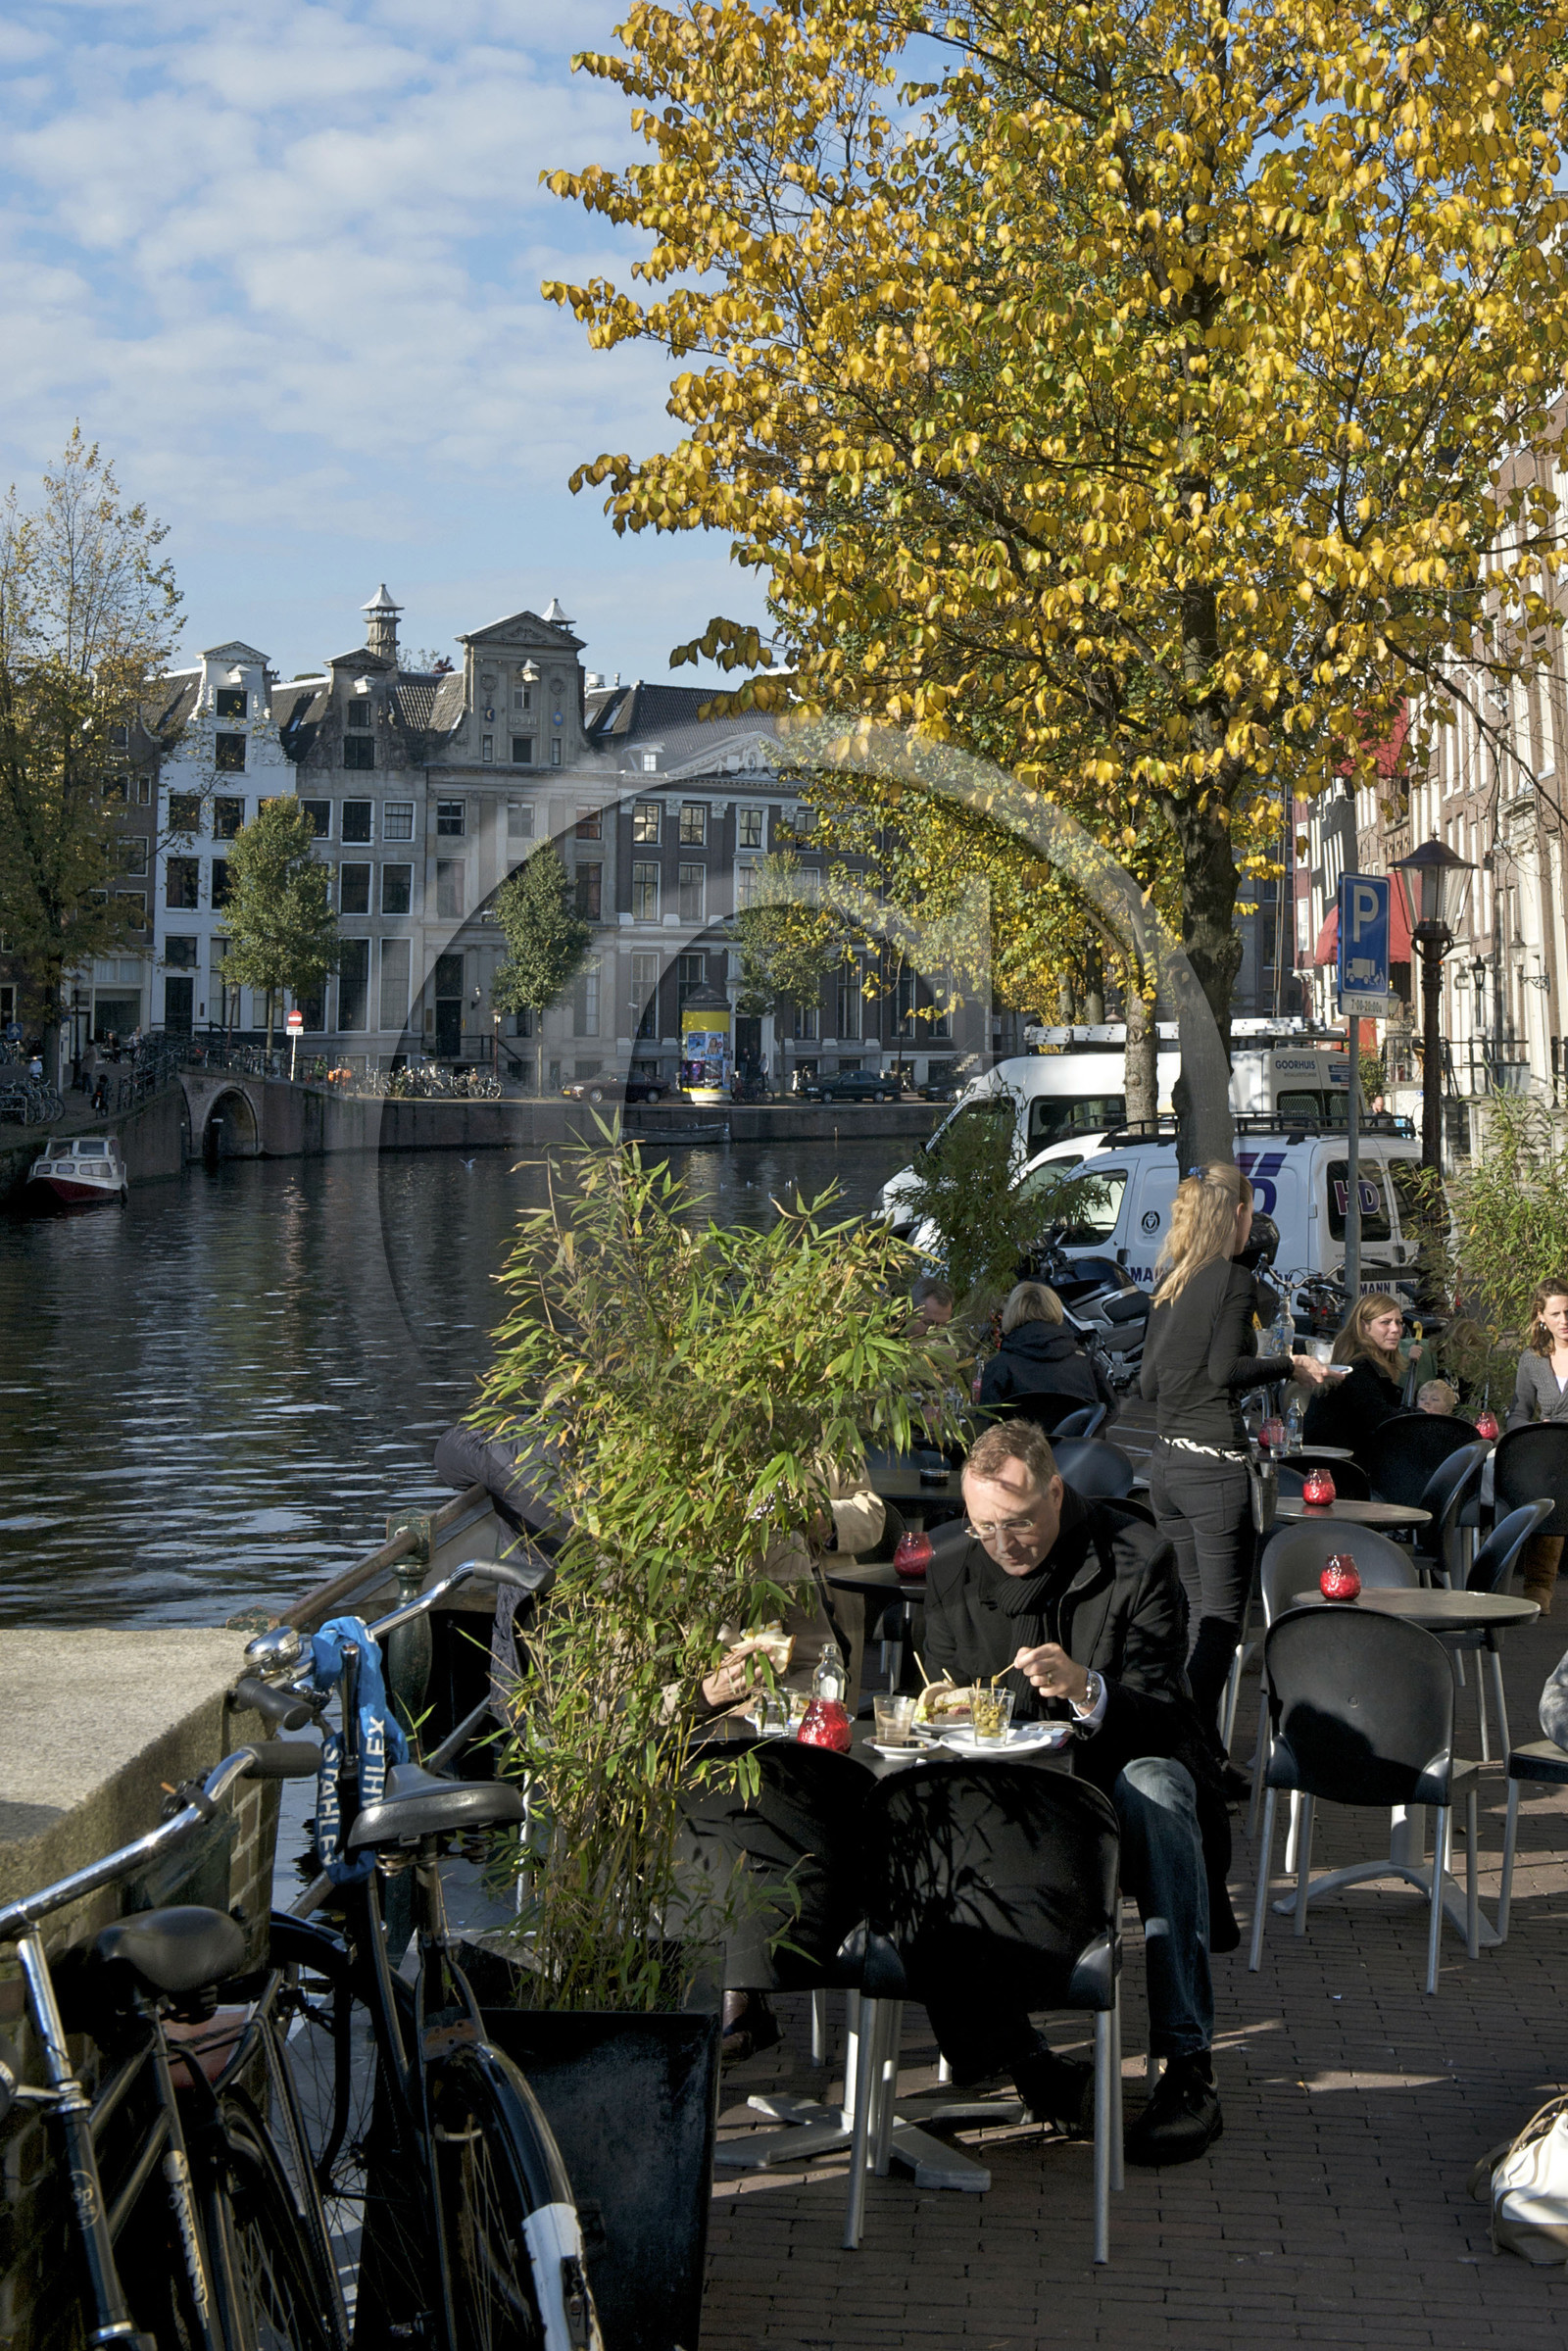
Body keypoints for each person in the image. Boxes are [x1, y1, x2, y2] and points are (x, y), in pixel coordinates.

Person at [921, 1419, 1230, 2165]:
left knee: (1157, 1788)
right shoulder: (953, 1569)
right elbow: (938, 1691)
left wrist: (1089, 1690)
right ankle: (1025, 2060)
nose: (1004, 1543)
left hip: (1113, 1779)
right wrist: (950, 1708)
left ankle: (1188, 2064)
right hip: (1005, 1793)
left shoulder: (1137, 1557)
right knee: (920, 1817)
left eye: (1020, 1522)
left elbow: (1164, 1710)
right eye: (986, 1526)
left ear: (1056, 1490)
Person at [1140, 1162, 1337, 1737]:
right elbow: (1225, 1369)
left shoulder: (1172, 1279)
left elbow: (1149, 1384)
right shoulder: (1230, 1280)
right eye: (1250, 1211)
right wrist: (1290, 1364)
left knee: (1196, 1617)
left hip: (1166, 1468)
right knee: (1222, 1624)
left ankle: (1201, 1755)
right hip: (1213, 1469)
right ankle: (1182, 1742)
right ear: (1237, 1215)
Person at [1505, 1277, 1568, 1615]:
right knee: (1544, 1485)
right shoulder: (1532, 1360)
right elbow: (1518, 1411)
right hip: (1549, 1451)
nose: (1564, 1321)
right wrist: (1528, 1434)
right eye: (1556, 1314)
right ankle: (1538, 1586)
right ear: (1541, 1316)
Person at [977, 1279, 1117, 1423]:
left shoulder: (1000, 1366)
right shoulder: (1086, 1363)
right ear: (1055, 1310)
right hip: (1074, 1444)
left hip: (1020, 1444)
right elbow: (1109, 1412)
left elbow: (986, 1422)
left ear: (1012, 1313)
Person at [1301, 1293, 1410, 1471]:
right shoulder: (1358, 1367)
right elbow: (1382, 1420)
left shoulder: (1361, 1362)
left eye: (1398, 1322)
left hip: (1340, 1463)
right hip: (1339, 1469)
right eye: (1385, 1322)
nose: (1395, 1329)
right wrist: (1422, 1413)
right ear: (1364, 1326)